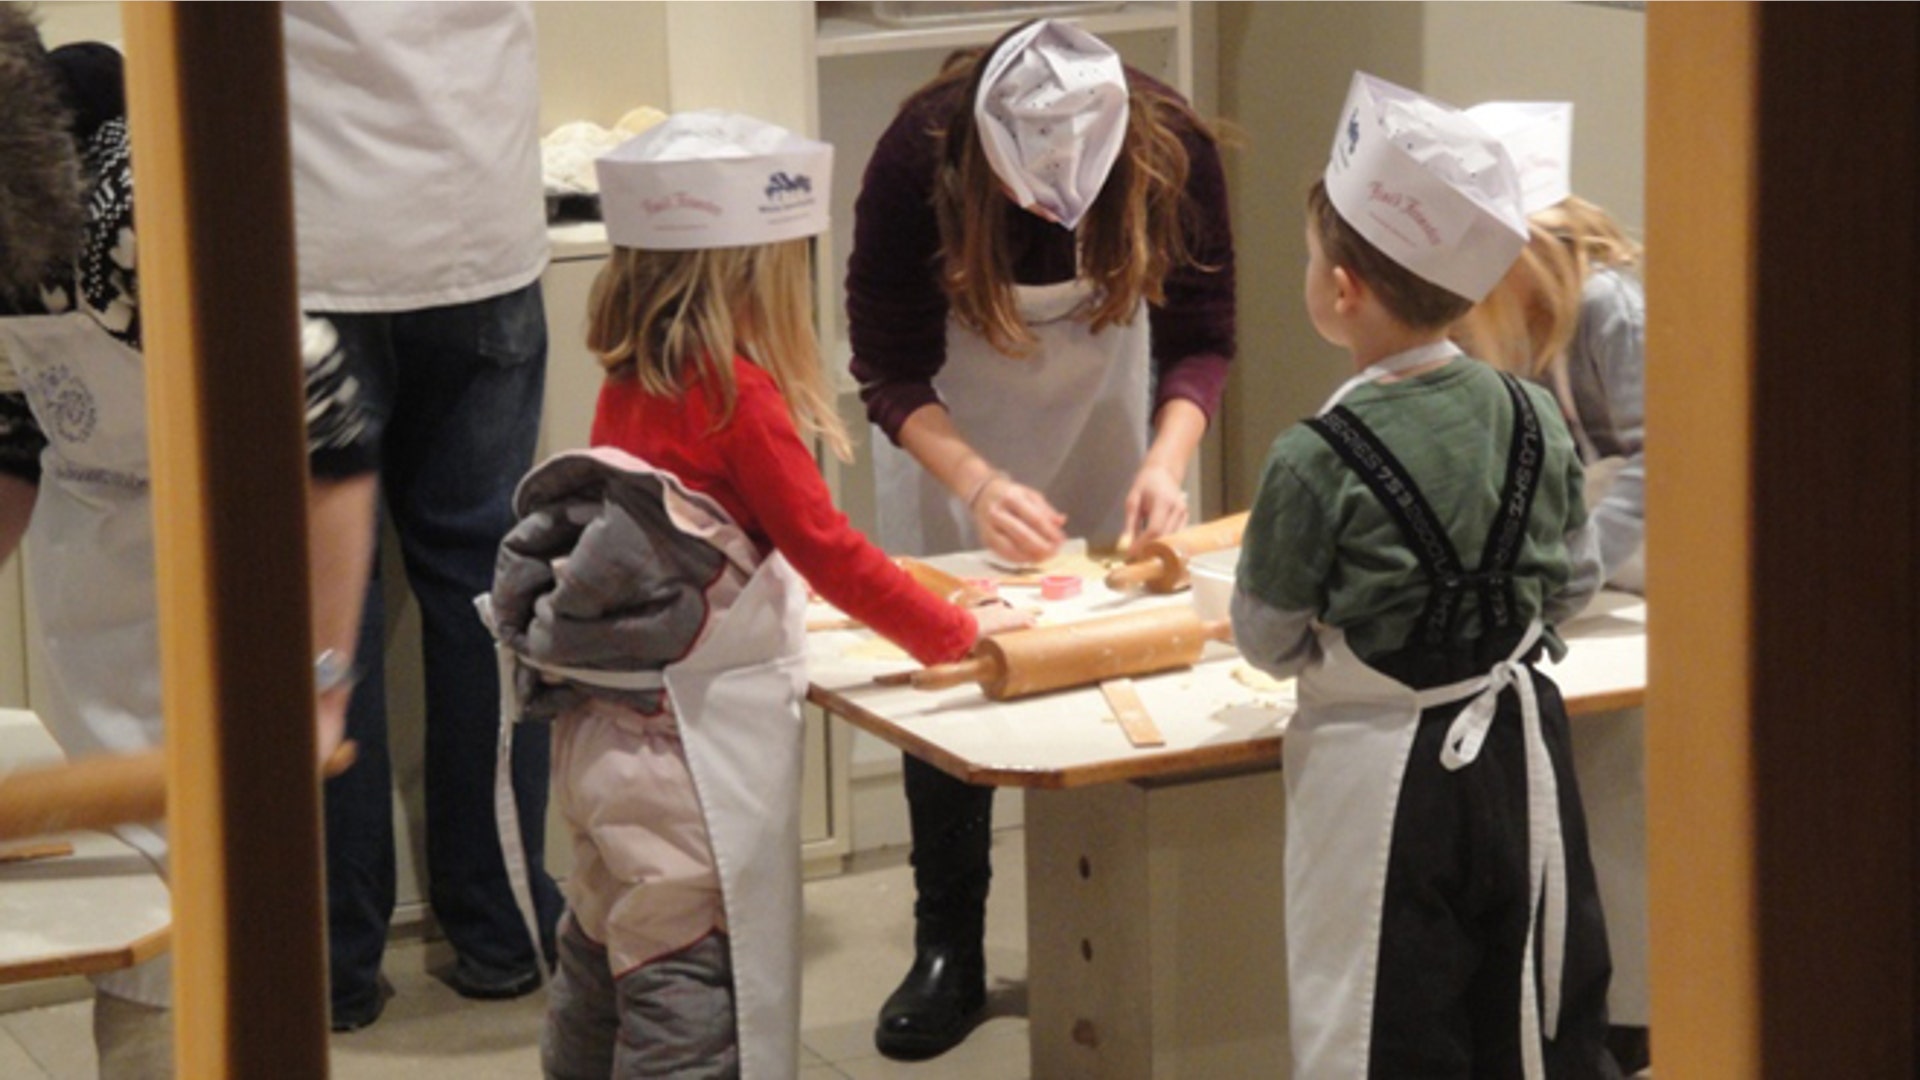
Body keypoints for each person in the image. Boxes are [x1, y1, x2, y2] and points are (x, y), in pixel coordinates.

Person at [487, 110, 1032, 1079]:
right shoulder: (739, 398)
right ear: (752, 272)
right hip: (683, 757)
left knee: (607, 937)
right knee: (684, 970)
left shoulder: (632, 378)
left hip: (601, 735)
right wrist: (953, 630)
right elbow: (826, 549)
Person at [844, 19, 1236, 1058]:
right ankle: (948, 946)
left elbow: (1203, 333)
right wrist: (975, 481)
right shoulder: (916, 155)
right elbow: (884, 365)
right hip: (953, 426)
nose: (1042, 208)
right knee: (951, 657)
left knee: (1109, 654)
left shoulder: (1169, 145)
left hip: (1106, 407)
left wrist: (1166, 460)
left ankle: (1113, 927)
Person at [0, 6, 378, 1075]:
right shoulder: (12, 233)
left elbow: (332, 435)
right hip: (94, 592)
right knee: (122, 907)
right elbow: (18, 431)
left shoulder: (131, 211)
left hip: (218, 577)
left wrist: (318, 689)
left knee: (199, 935)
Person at [1230, 72, 1619, 1077]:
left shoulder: (1312, 457)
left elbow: (1266, 639)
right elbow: (1570, 585)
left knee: (1383, 1024)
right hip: (1519, 762)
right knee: (1522, 1004)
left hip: (1377, 778)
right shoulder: (1532, 417)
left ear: (1342, 290)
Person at [280, 1, 563, 1030]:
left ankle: (330, 965)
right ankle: (500, 927)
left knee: (321, 616)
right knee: (483, 597)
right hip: (474, 222)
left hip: (306, 242)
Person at [1456, 100, 1651, 1076]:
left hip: (1652, 583)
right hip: (1593, 585)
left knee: (1625, 788)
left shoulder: (1611, 309)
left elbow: (1665, 461)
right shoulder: (1506, 323)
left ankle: (1633, 1014)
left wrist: (1570, 575)